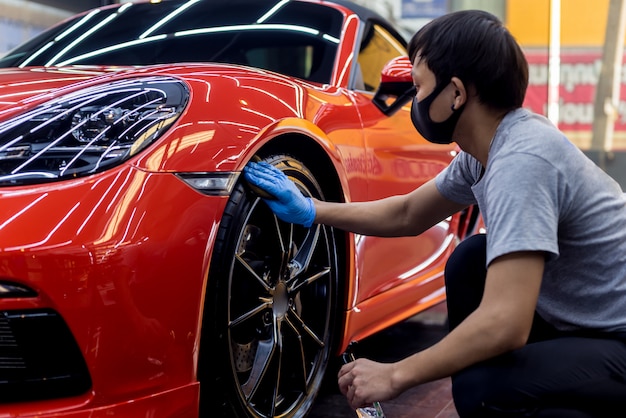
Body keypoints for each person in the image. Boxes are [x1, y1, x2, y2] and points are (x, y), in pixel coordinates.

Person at [243, 9, 626, 418]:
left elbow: (505, 323)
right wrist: (311, 210)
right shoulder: (485, 153)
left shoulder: (523, 160)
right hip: (576, 322)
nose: (414, 99)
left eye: (419, 86)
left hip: (616, 339)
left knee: (481, 389)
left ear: (456, 94)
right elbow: (409, 213)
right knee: (470, 260)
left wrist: (395, 374)